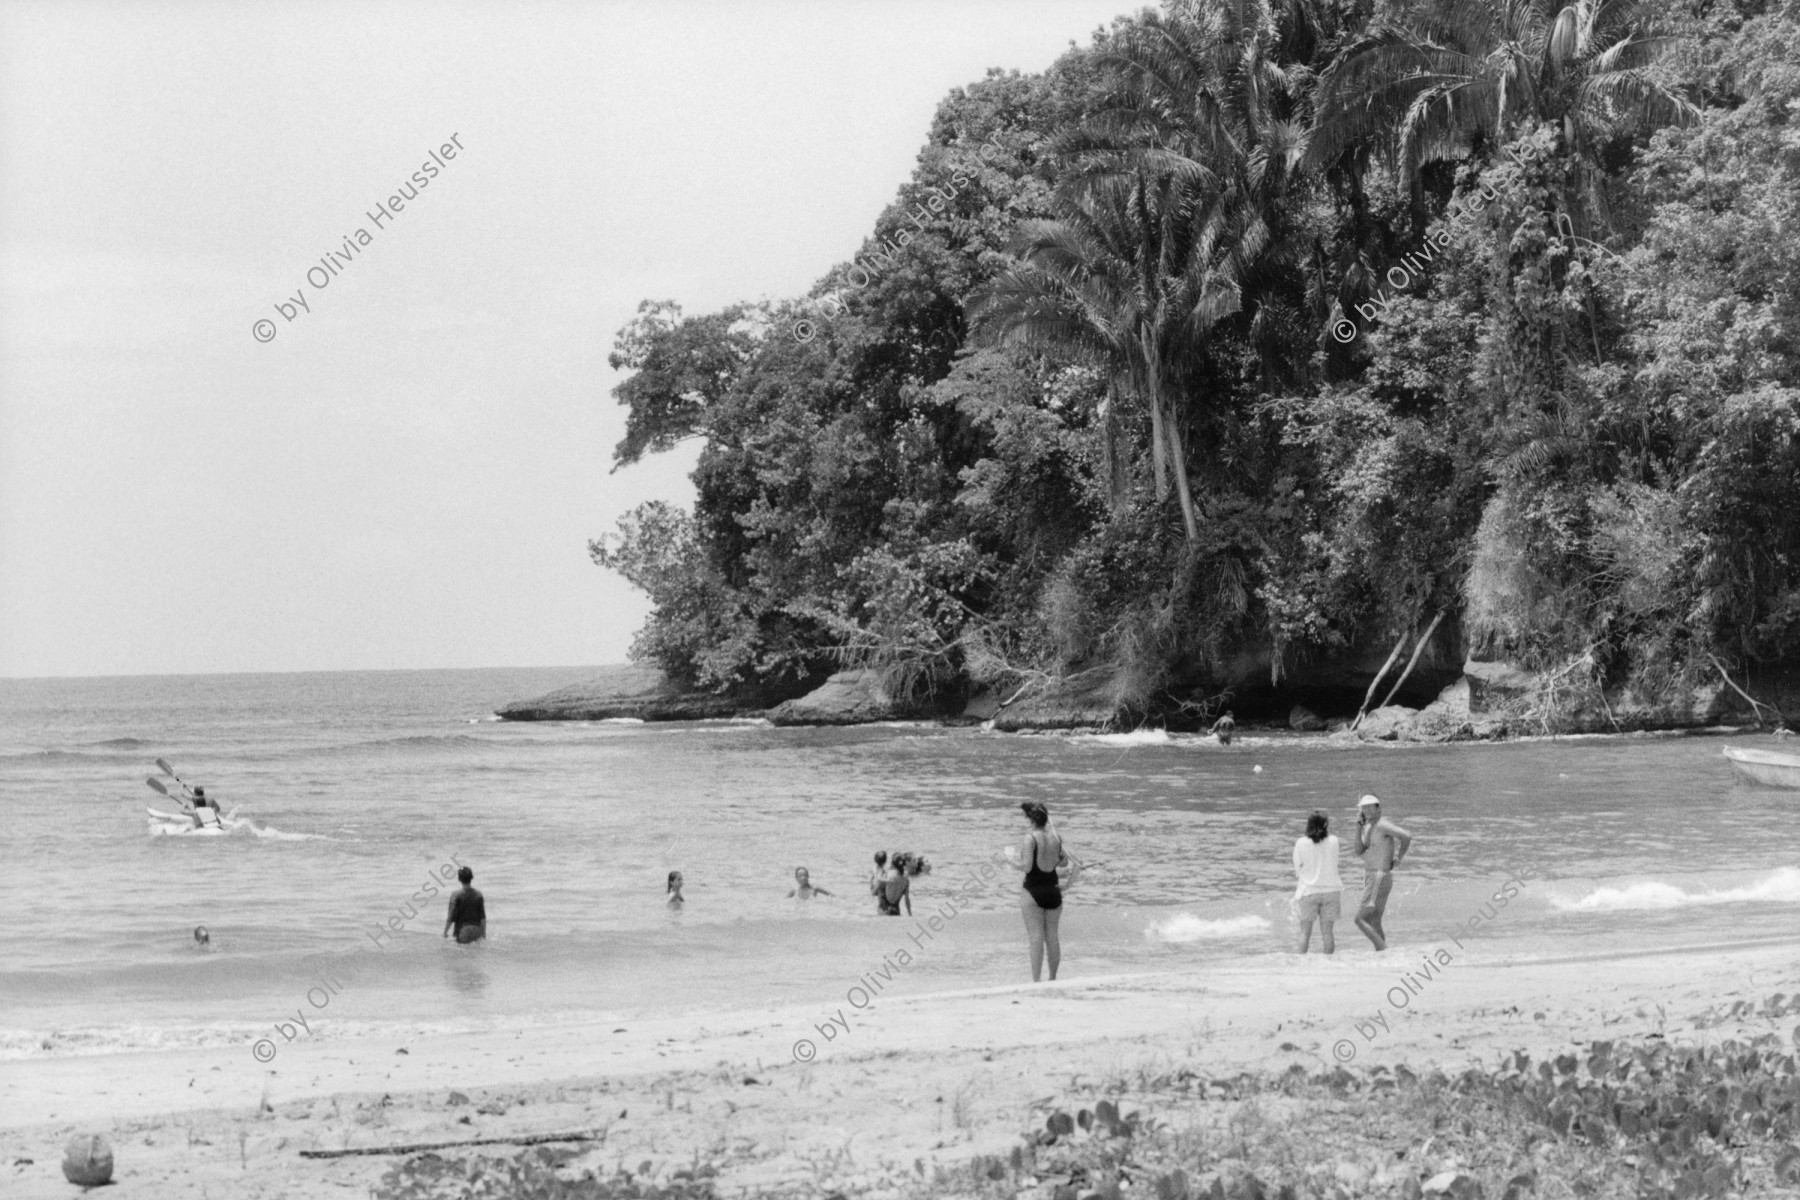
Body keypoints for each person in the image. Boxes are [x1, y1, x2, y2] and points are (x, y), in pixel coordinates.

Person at [1353, 794, 1412, 951]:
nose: (1366, 810)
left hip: (1379, 876)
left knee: (1359, 919)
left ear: (1378, 808)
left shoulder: (1382, 825)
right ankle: (1381, 954)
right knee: (1374, 920)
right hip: (1373, 876)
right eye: (1363, 808)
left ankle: (1384, 949)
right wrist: (1358, 828)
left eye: (1370, 806)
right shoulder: (1368, 827)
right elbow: (1358, 851)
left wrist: (1398, 858)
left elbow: (1406, 836)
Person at [1017, 802, 1066, 981]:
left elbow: (1027, 867)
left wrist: (1008, 861)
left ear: (1030, 819)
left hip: (1033, 890)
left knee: (1035, 937)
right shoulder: (1056, 836)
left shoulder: (1030, 838)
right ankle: (1052, 978)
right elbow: (1064, 862)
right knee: (1052, 935)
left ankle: (1036, 980)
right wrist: (1052, 859)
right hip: (1053, 890)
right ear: (1046, 819)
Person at [1292, 811, 1343, 954]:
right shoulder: (1334, 840)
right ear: (1326, 825)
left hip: (1308, 891)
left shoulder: (1301, 842)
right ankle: (1329, 962)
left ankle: (1301, 962)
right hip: (1331, 891)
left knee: (1304, 933)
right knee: (1327, 932)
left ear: (1308, 825)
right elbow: (1335, 861)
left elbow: (1297, 868)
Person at [443, 865, 486, 944]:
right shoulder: (479, 895)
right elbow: (482, 918)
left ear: (459, 879)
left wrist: (445, 932)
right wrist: (484, 934)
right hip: (477, 930)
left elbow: (451, 917)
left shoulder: (455, 895)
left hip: (463, 931)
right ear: (471, 878)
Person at [879, 853, 911, 917]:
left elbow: (879, 879)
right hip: (896, 910)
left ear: (892, 863)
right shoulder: (906, 880)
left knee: (880, 887)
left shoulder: (889, 874)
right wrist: (910, 913)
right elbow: (907, 900)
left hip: (885, 908)